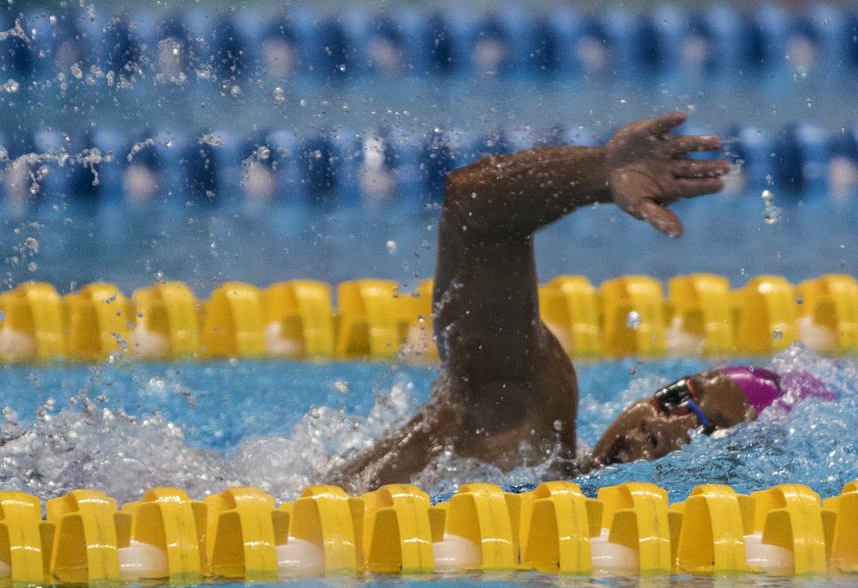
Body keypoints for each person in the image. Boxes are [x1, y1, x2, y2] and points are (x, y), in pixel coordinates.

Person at [329, 112, 829, 492]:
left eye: (708, 433)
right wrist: (600, 172)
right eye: (678, 397)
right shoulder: (525, 415)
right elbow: (474, 209)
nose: (661, 427)